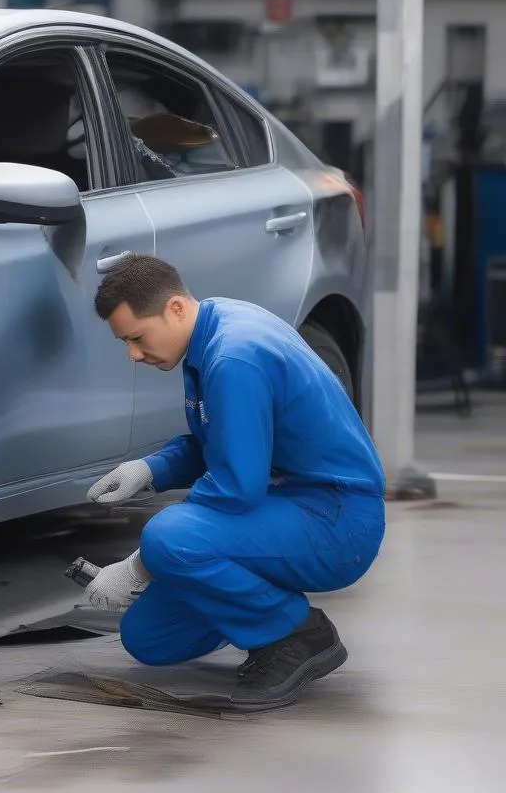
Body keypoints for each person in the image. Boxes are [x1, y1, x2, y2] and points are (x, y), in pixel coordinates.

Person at [84, 255, 386, 708]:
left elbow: (235, 487)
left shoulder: (234, 357)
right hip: (289, 505)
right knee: (148, 636)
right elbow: (221, 440)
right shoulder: (213, 328)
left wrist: (139, 565)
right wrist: (151, 470)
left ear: (176, 310)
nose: (132, 354)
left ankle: (297, 634)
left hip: (337, 521)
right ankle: (266, 607)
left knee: (169, 536)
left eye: (136, 337)